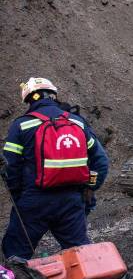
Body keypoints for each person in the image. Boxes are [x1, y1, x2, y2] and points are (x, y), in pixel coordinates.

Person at [1, 78, 109, 259]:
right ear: (54, 96)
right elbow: (101, 162)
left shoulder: (21, 125)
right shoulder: (77, 122)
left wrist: (19, 196)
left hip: (33, 201)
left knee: (16, 255)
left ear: (29, 100)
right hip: (71, 201)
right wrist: (90, 187)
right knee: (81, 255)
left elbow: (11, 168)